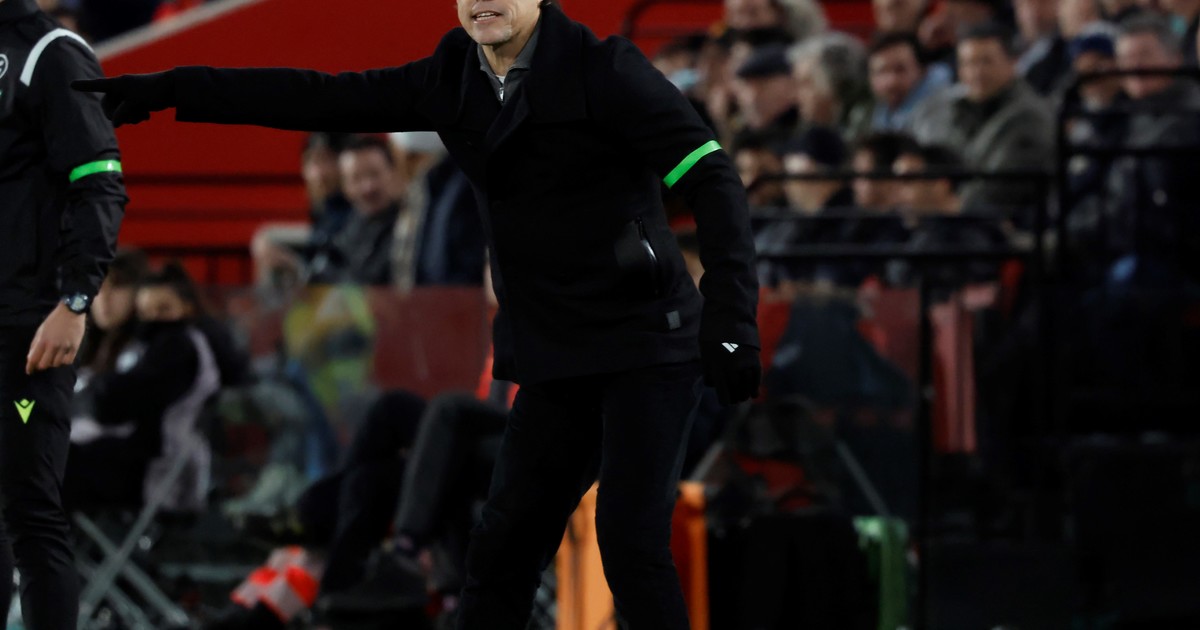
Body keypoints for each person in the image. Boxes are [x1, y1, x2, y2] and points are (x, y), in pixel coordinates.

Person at [75, 2, 762, 628]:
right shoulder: (453, 77)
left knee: (630, 542)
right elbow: (316, 94)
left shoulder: (606, 69)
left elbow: (711, 173)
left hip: (647, 343)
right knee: (500, 549)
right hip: (556, 354)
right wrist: (174, 88)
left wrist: (732, 317)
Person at [0, 0, 127, 626]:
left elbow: (100, 180)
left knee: (29, 511)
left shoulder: (53, 53)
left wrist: (75, 302)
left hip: (28, 325)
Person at [909, 23, 1054, 221]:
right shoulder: (948, 109)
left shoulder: (1031, 118)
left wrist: (946, 203)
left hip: (1001, 226)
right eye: (968, 63)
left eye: (986, 62)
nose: (976, 72)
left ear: (1012, 63)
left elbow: (996, 189)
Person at [866, 32, 953, 131]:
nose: (891, 81)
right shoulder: (879, 111)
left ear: (922, 70)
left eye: (900, 70)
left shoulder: (944, 108)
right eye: (882, 71)